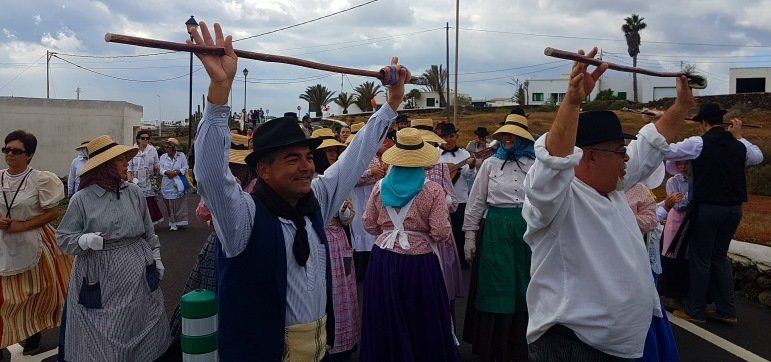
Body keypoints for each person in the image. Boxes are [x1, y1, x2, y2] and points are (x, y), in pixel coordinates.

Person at [190, 21, 409, 360]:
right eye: (292, 159)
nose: (307, 166)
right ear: (263, 169)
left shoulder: (316, 199)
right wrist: (220, 90)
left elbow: (354, 158)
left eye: (309, 157)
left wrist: (391, 105)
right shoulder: (243, 217)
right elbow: (209, 175)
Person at [523, 47, 695, 360]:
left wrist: (681, 106)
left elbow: (651, 142)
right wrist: (572, 103)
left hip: (619, 345)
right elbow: (553, 162)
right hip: (573, 346)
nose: (626, 157)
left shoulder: (614, 187)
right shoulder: (556, 201)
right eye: (619, 150)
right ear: (589, 156)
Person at [56, 135, 170, 361]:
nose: (126, 163)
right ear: (105, 166)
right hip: (100, 272)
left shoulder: (134, 192)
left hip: (137, 269)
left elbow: (148, 230)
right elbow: (63, 238)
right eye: (120, 160)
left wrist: (156, 257)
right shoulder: (81, 199)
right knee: (104, 331)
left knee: (142, 321)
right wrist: (85, 240)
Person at [361, 127, 460, 361]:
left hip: (383, 259)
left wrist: (390, 231)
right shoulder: (433, 191)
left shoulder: (380, 187)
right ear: (422, 161)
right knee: (420, 317)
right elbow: (441, 231)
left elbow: (369, 224)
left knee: (385, 315)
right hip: (419, 262)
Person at [666, 103, 764, 324]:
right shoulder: (737, 144)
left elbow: (668, 150)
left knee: (700, 259)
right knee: (720, 257)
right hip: (733, 210)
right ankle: (727, 310)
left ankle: (695, 311)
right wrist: (739, 137)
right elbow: (757, 157)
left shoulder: (698, 143)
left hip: (708, 208)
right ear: (722, 122)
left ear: (703, 123)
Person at [461, 115, 535, 361]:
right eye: (505, 135)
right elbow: (476, 201)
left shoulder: (535, 166)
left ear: (524, 137)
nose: (507, 138)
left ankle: (521, 344)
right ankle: (495, 346)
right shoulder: (490, 164)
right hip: (495, 227)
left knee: (524, 282)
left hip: (526, 228)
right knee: (497, 283)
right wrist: (470, 236)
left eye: (513, 135)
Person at [0, 130, 72, 356]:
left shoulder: (40, 179)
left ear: (29, 155)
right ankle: (3, 340)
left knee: (32, 294)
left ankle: (32, 334)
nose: (10, 154)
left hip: (34, 243)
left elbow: (52, 213)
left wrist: (22, 225)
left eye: (16, 151)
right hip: (3, 243)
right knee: (4, 298)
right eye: (6, 149)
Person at [311, 129, 360, 361]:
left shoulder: (340, 182)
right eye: (328, 150)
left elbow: (348, 219)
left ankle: (342, 342)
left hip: (339, 240)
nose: (333, 154)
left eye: (335, 150)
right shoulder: (311, 181)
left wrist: (345, 211)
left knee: (342, 293)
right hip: (319, 240)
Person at [349, 126, 389, 281]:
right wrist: (370, 173)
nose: (384, 143)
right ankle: (361, 269)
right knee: (360, 230)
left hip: (375, 199)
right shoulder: (355, 156)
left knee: (373, 231)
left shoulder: (381, 157)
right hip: (360, 199)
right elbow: (350, 179)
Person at [437, 123, 476, 269]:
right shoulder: (433, 153)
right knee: (441, 231)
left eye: (451, 136)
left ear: (456, 137)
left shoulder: (465, 154)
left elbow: (468, 175)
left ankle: (460, 262)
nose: (448, 139)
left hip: (460, 198)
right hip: (439, 200)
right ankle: (442, 261)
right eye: (445, 136)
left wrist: (471, 167)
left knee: (459, 231)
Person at [658, 160, 691, 310]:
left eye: (686, 163)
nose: (683, 167)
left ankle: (680, 294)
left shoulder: (694, 180)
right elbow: (677, 205)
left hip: (690, 223)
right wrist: (690, 199)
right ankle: (669, 295)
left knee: (684, 258)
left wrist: (685, 199)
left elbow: (682, 201)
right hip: (676, 222)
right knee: (671, 257)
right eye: (679, 164)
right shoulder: (672, 181)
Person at [128, 130, 164, 224]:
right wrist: (130, 179)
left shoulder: (152, 150)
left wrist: (157, 169)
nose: (145, 140)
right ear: (138, 139)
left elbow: (157, 163)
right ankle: (138, 223)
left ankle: (150, 224)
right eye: (143, 138)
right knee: (137, 202)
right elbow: (129, 167)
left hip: (148, 179)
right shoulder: (132, 150)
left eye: (147, 138)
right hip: (136, 180)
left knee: (149, 202)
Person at [159, 138, 189, 231]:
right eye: (165, 147)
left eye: (169, 147)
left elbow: (185, 167)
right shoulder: (163, 157)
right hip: (167, 182)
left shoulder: (181, 156)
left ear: (174, 148)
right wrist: (166, 172)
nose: (166, 148)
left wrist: (177, 172)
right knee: (168, 203)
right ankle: (171, 221)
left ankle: (178, 221)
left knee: (178, 203)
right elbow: (160, 168)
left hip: (178, 181)